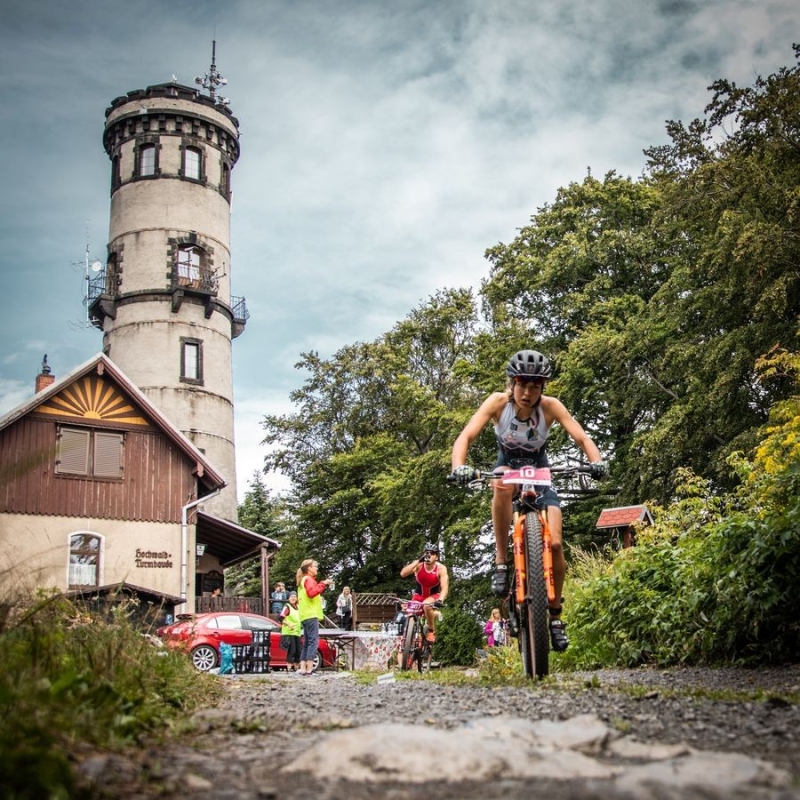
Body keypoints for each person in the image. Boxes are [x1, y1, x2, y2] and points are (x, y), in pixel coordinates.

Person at [450, 348, 606, 653]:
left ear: (542, 388)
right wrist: (459, 466)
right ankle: (500, 561)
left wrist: (596, 461)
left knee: (557, 544)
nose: (528, 392)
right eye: (522, 384)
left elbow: (582, 437)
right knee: (502, 486)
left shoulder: (550, 407)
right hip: (507, 467)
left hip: (540, 473)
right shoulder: (497, 403)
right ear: (512, 383)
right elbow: (465, 436)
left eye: (535, 386)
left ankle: (556, 618)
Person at [399, 543, 448, 642]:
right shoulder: (419, 565)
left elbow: (444, 587)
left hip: (433, 596)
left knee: (426, 605)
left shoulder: (441, 568)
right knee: (410, 616)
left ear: (437, 557)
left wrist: (440, 600)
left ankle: (431, 630)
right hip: (418, 596)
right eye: (426, 553)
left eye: (432, 553)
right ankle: (410, 642)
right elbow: (403, 573)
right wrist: (418, 561)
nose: (429, 555)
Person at [296, 559, 333, 675]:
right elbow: (311, 593)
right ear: (309, 568)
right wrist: (323, 584)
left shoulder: (302, 581)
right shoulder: (309, 580)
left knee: (307, 642)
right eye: (315, 566)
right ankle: (309, 669)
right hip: (311, 614)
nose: (317, 568)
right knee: (313, 642)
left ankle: (303, 668)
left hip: (304, 614)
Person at [280, 591, 302, 672]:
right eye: (291, 597)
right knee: (292, 651)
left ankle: (296, 668)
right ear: (289, 598)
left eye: (294, 597)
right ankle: (289, 668)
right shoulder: (287, 607)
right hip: (289, 632)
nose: (293, 598)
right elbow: (281, 618)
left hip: (297, 632)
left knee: (298, 651)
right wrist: (288, 624)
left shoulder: (299, 607)